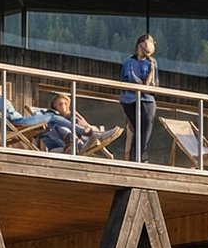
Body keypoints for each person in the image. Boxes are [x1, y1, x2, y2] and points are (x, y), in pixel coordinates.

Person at [120, 34, 159, 162]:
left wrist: (152, 71)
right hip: (130, 100)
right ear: (140, 45)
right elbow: (127, 81)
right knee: (139, 129)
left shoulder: (152, 63)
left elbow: (153, 84)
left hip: (147, 100)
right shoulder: (129, 62)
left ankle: (139, 158)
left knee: (144, 131)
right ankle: (138, 158)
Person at [40, 94, 120, 155]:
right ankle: (101, 136)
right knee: (63, 126)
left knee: (93, 129)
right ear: (55, 106)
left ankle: (103, 141)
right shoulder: (54, 119)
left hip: (84, 139)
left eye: (65, 103)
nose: (63, 106)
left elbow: (86, 126)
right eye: (60, 104)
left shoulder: (73, 115)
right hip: (70, 145)